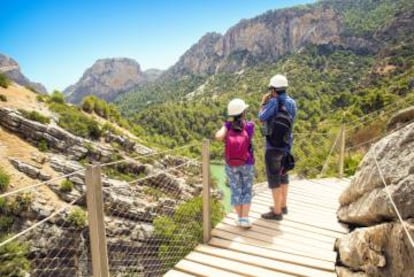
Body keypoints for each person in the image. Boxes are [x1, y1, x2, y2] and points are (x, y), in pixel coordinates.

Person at [258, 74, 297, 220]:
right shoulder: (292, 103)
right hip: (287, 145)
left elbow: (261, 118)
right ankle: (283, 205)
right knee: (283, 174)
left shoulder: (272, 102)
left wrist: (263, 103)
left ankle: (276, 212)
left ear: (274, 89)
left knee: (274, 178)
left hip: (273, 146)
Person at [215, 98, 255, 228]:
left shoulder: (227, 126)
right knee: (246, 190)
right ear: (243, 112)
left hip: (231, 164)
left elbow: (218, 136)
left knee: (236, 190)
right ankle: (244, 218)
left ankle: (240, 218)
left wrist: (225, 126)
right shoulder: (249, 125)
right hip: (247, 162)